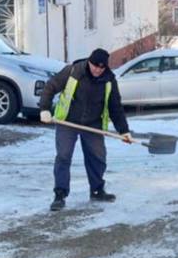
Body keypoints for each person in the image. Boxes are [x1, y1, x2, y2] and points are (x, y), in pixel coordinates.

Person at [39, 48, 133, 211]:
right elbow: (50, 86)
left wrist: (123, 130)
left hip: (92, 124)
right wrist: (44, 109)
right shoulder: (73, 71)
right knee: (63, 156)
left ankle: (97, 190)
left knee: (97, 157)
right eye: (95, 66)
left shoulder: (109, 80)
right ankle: (60, 194)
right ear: (89, 62)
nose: (97, 70)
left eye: (101, 68)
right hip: (67, 121)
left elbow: (115, 106)